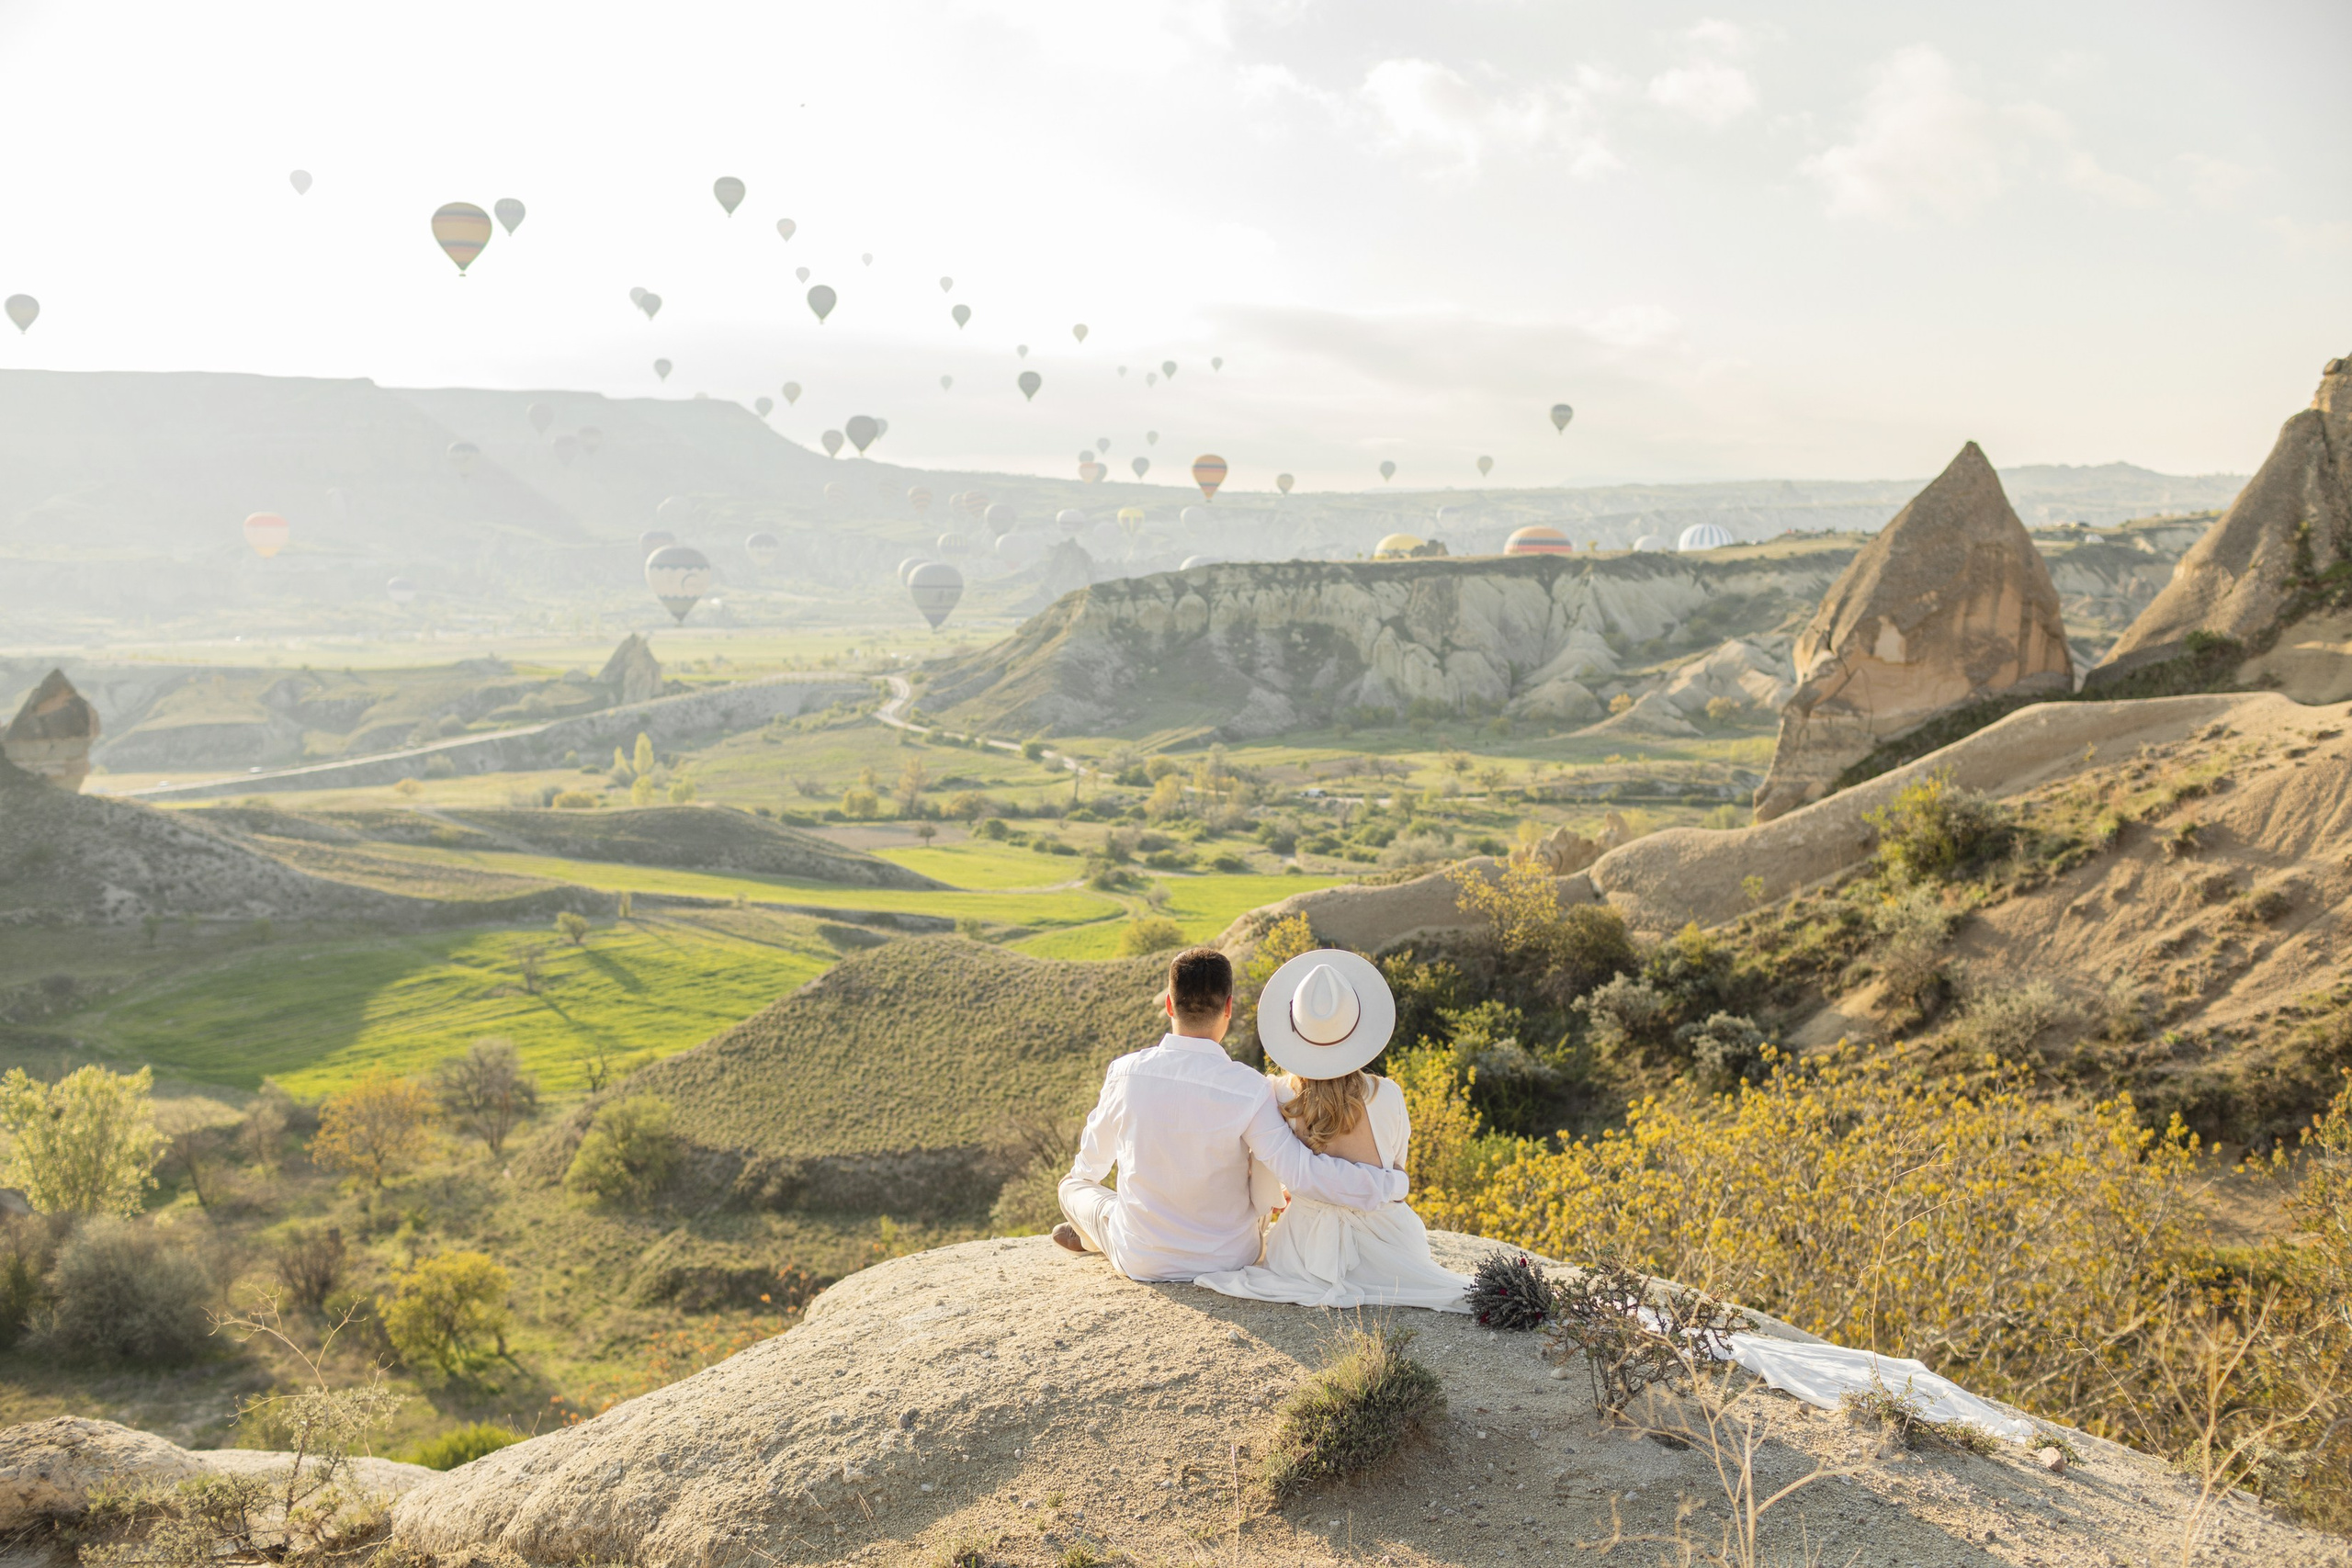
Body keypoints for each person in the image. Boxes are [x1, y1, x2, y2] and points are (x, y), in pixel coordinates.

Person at [1053, 947, 1408, 1282]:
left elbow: (1091, 1167)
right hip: (1230, 1256)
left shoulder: (1124, 1072)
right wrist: (1390, 1183)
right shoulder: (1250, 1088)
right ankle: (1095, 1234)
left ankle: (1092, 1236)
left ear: (1168, 1005)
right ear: (1228, 1008)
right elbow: (1302, 1173)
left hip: (1142, 1258)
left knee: (1074, 1185)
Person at [1192, 949, 1473, 1311]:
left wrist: (1290, 1192)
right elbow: (1396, 1173)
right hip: (1389, 1244)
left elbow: (1266, 1193)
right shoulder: (1388, 1094)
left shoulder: (1277, 1094)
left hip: (1303, 1249)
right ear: (1356, 1025)